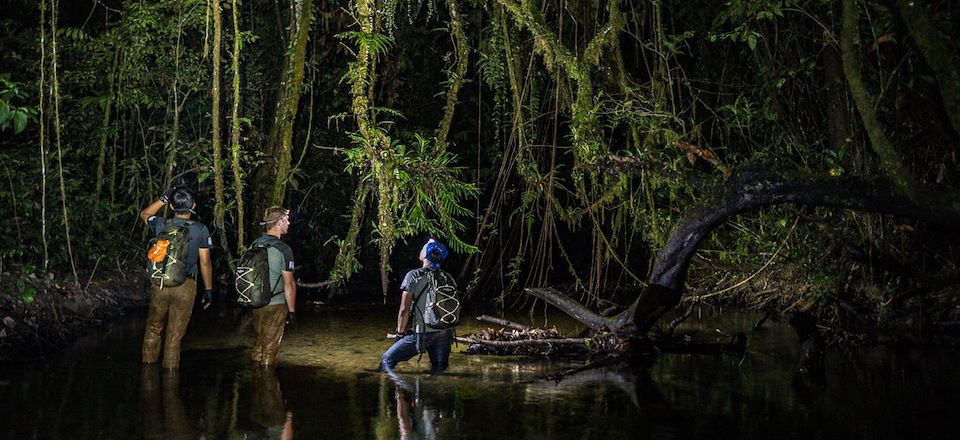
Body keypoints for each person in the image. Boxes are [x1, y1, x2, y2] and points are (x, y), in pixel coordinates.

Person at [140, 186, 214, 369]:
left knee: (153, 329)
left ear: (172, 207)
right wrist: (209, 290)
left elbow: (145, 213)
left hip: (161, 284)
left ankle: (148, 374)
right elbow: (205, 263)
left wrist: (164, 198)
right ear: (194, 206)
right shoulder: (200, 230)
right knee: (174, 335)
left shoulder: (161, 225)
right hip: (186, 286)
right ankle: (170, 379)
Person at [381, 238, 455, 375]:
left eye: (424, 247)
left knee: (387, 360)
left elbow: (404, 310)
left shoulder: (413, 276)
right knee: (439, 370)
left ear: (426, 254)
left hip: (423, 334)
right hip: (445, 332)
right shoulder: (447, 276)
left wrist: (400, 333)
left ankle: (398, 391)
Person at [250, 206, 297, 366]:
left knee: (259, 343)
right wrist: (291, 311)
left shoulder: (254, 244)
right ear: (278, 222)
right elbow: (289, 284)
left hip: (256, 302)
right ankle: (267, 386)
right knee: (270, 350)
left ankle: (256, 383)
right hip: (275, 304)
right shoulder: (283, 249)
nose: (289, 223)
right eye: (286, 220)